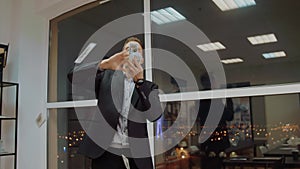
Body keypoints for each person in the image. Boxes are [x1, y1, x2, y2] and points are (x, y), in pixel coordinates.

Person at [68, 37, 162, 169]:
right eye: (127, 50)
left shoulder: (149, 88)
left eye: (136, 50)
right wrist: (104, 64)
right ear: (121, 56)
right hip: (105, 152)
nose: (131, 53)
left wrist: (140, 82)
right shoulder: (106, 78)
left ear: (142, 59)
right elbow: (73, 77)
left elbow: (154, 115)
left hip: (135, 155)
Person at [198, 72, 234, 169]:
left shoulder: (201, 98)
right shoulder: (214, 100)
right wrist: (229, 99)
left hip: (207, 142)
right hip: (217, 143)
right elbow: (229, 116)